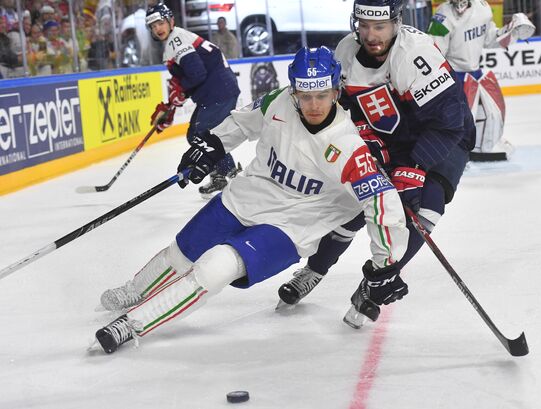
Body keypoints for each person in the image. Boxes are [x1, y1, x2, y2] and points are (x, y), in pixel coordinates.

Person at [92, 46, 410, 354]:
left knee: (216, 268)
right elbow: (243, 122)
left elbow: (383, 204)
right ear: (294, 91)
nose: (314, 105)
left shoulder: (347, 146)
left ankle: (132, 326)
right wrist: (213, 145)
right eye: (305, 96)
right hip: (247, 198)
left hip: (292, 226)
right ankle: (134, 291)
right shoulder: (279, 101)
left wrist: (385, 265)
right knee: (180, 253)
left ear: (335, 92)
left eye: (322, 96)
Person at [276, 0, 476, 328]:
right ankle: (314, 269)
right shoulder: (344, 52)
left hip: (442, 135)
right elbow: (346, 110)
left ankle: (377, 283)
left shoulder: (415, 53)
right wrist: (367, 139)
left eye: (380, 26)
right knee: (358, 202)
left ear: (396, 23)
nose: (371, 34)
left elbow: (449, 120)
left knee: (428, 206)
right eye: (364, 25)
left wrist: (415, 165)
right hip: (390, 138)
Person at [146, 3, 242, 199]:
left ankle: (232, 177)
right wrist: (172, 105)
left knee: (202, 136)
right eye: (153, 26)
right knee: (199, 135)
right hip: (217, 91)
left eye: (160, 23)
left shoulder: (176, 39)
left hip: (218, 92)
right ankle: (224, 175)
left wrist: (180, 93)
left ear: (171, 21)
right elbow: (191, 77)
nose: (158, 28)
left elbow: (197, 74)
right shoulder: (177, 39)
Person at [426, 0, 535, 161]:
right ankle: (452, 153)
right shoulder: (442, 15)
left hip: (475, 74)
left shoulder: (483, 8)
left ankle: (477, 146)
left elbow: (490, 39)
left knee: (490, 114)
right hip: (453, 75)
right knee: (455, 119)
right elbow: (434, 51)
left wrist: (511, 32)